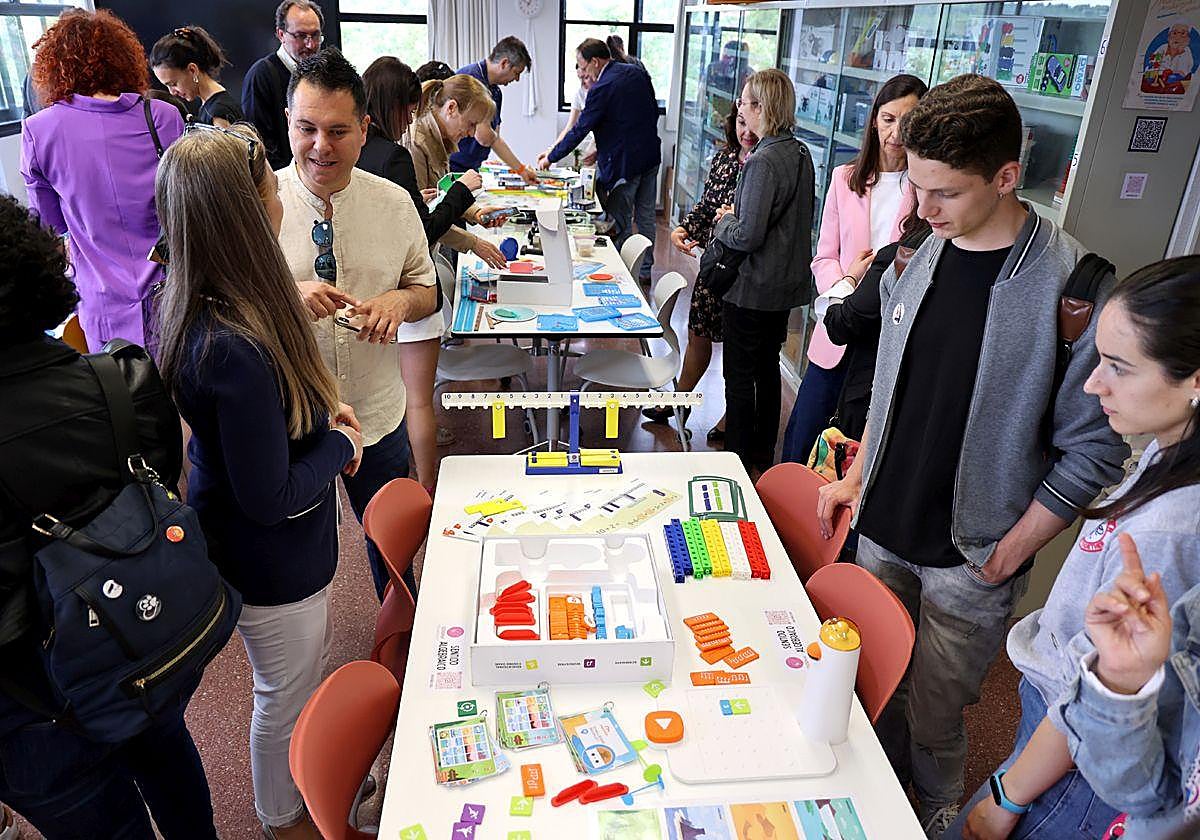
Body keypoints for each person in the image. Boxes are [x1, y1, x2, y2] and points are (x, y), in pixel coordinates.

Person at [814, 74, 1129, 836]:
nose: (921, 209)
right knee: (868, 689)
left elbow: (1093, 451)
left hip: (971, 554)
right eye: (914, 187)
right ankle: (872, 806)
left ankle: (935, 813)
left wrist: (1010, 550)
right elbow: (892, 381)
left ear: (1006, 177)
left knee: (935, 714)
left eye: (944, 192)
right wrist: (857, 477)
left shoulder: (1075, 286)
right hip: (884, 524)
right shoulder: (919, 247)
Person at [156, 125, 363, 840]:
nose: (282, 194)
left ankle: (302, 791)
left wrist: (316, 413)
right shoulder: (232, 347)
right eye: (272, 187)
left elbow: (268, 421)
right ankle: (282, 814)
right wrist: (338, 444)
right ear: (248, 214)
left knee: (296, 680)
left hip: (269, 546)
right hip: (270, 558)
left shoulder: (218, 302)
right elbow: (268, 496)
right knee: (284, 691)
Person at [951, 256, 1200, 840]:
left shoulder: (1171, 532)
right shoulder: (1168, 454)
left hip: (1073, 761)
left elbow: (1100, 689)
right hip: (1063, 734)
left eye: (1119, 367)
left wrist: (1009, 796)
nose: (1093, 384)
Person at [0, 194, 218, 838]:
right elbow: (153, 497)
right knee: (171, 767)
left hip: (32, 703)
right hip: (137, 641)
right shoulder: (119, 380)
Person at [278, 48, 438, 602]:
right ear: (288, 122)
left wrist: (399, 301)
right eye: (307, 128)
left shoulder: (394, 203)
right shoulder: (261, 204)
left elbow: (426, 289)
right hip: (295, 422)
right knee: (298, 558)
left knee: (393, 546)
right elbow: (222, 304)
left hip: (378, 411)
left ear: (365, 129)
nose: (321, 146)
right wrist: (286, 293)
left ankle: (404, 631)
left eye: (338, 131)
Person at [358, 57, 506, 496]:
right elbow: (423, 228)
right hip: (406, 281)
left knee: (398, 393)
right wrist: (462, 195)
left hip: (382, 281)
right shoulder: (400, 153)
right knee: (418, 398)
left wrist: (462, 207)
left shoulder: (374, 152)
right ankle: (427, 489)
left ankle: (409, 484)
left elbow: (415, 211)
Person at [781, 73, 927, 463]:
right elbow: (823, 257)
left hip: (887, 336)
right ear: (874, 120)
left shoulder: (927, 191)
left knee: (858, 447)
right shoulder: (845, 179)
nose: (896, 132)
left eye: (908, 121)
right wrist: (850, 283)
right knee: (806, 431)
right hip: (840, 326)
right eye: (888, 119)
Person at [20, 8, 184, 351]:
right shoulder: (165, 118)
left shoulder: (39, 131)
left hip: (102, 308)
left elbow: (51, 223)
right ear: (125, 60)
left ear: (55, 68)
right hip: (176, 296)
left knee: (121, 399)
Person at [708, 68, 814, 472]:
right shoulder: (800, 153)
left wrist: (723, 221)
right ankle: (762, 454)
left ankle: (734, 460)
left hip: (752, 288)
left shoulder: (762, 161)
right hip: (786, 286)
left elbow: (748, 235)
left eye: (747, 102)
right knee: (768, 373)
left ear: (762, 107)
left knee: (738, 378)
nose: (741, 109)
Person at [645, 105, 758, 443]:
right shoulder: (725, 158)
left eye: (753, 125)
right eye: (740, 123)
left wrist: (732, 217)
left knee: (739, 352)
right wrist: (686, 227)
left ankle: (732, 414)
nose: (746, 133)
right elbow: (709, 204)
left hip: (747, 273)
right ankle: (680, 401)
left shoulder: (764, 164)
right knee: (698, 335)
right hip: (716, 264)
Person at [539, 38, 661, 282]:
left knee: (620, 220)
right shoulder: (635, 72)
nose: (582, 72)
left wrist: (551, 157)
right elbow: (645, 113)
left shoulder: (602, 86)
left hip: (625, 164)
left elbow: (580, 129)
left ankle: (623, 274)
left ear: (595, 62)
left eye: (582, 67)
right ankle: (645, 269)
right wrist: (603, 146)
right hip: (650, 154)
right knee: (646, 216)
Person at [815, 207, 931, 444]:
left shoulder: (900, 256)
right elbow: (824, 256)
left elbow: (841, 323)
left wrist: (848, 280)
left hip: (871, 397)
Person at [407, 75, 509, 270]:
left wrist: (475, 213)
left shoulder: (440, 139)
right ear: (451, 108)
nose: (471, 133)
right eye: (471, 124)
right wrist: (474, 243)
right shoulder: (417, 144)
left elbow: (440, 195)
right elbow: (425, 219)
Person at [243, 0, 325, 169]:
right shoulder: (262, 75)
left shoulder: (321, 74)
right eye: (301, 36)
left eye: (315, 35)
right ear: (281, 34)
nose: (310, 45)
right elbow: (259, 145)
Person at [449, 37, 538, 183]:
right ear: (504, 63)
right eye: (516, 73)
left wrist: (521, 170)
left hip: (472, 167)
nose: (516, 79)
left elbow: (494, 138)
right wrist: (520, 169)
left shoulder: (496, 92)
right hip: (453, 166)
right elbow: (485, 137)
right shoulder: (471, 80)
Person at [150, 26, 244, 127]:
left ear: (192, 70)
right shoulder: (211, 107)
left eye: (174, 84)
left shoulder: (218, 114)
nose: (172, 93)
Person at [545, 63, 595, 165]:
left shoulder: (602, 90)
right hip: (595, 137)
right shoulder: (579, 94)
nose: (582, 82)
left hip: (609, 138)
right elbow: (569, 127)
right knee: (587, 166)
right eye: (579, 78)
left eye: (585, 77)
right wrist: (550, 150)